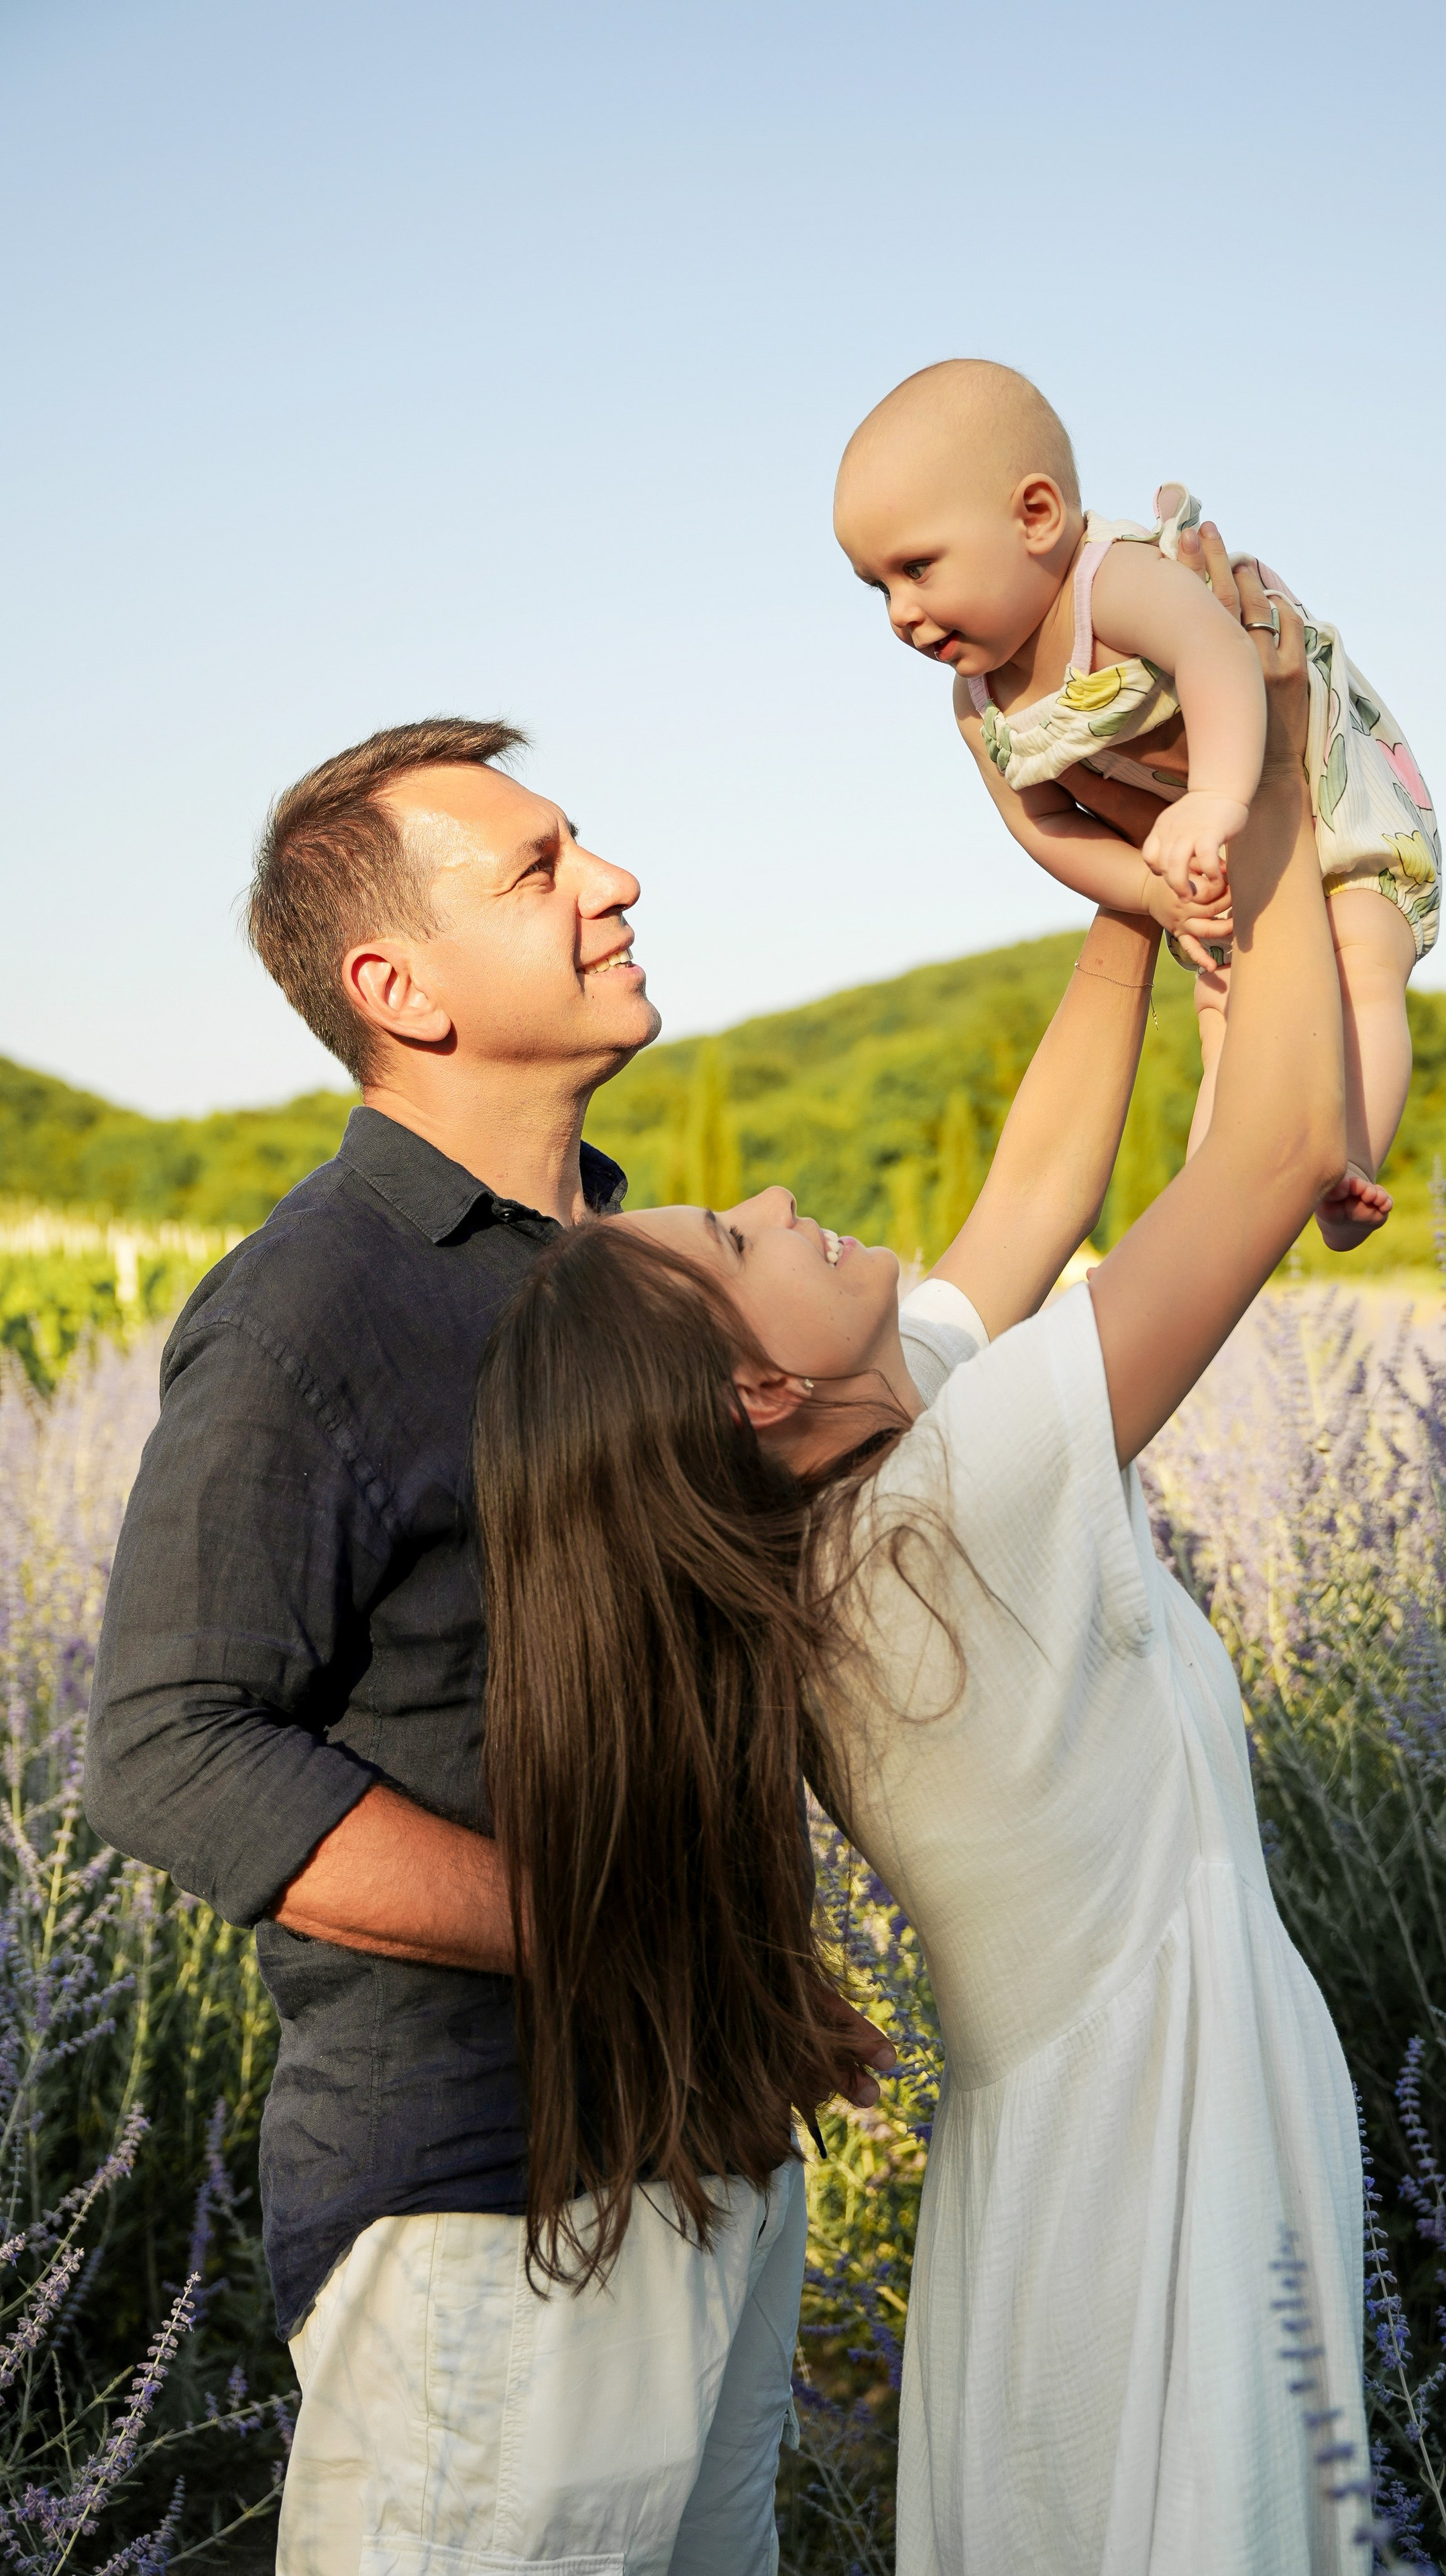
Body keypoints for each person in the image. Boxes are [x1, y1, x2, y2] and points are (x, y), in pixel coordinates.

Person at [478, 538, 1367, 2573]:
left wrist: (1125, 903)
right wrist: (1268, 760)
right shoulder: (953, 1507)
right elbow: (1278, 1147)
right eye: (736, 1239)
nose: (780, 1198)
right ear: (754, 1391)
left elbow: (1039, 1188)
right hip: (1155, 2155)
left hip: (1079, 2153)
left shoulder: (865, 1501)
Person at [85, 716, 892, 2574]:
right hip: (491, 2209)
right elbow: (169, 1744)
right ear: (400, 989)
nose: (612, 884)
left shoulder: (638, 1263)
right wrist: (601, 1924)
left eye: (580, 846)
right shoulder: (310, 1306)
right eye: (538, 871)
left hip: (721, 2158)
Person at [834, 357, 1442, 1248]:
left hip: (1334, 809)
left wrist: (1215, 797)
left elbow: (1220, 653)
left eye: (918, 568)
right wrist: (1150, 891)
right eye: (878, 586)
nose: (900, 612)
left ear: (1036, 517)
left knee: (1362, 965)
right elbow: (1042, 825)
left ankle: (1345, 1161)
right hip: (1220, 872)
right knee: (1223, 1015)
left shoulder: (1110, 583)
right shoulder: (980, 706)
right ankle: (1222, 1207)